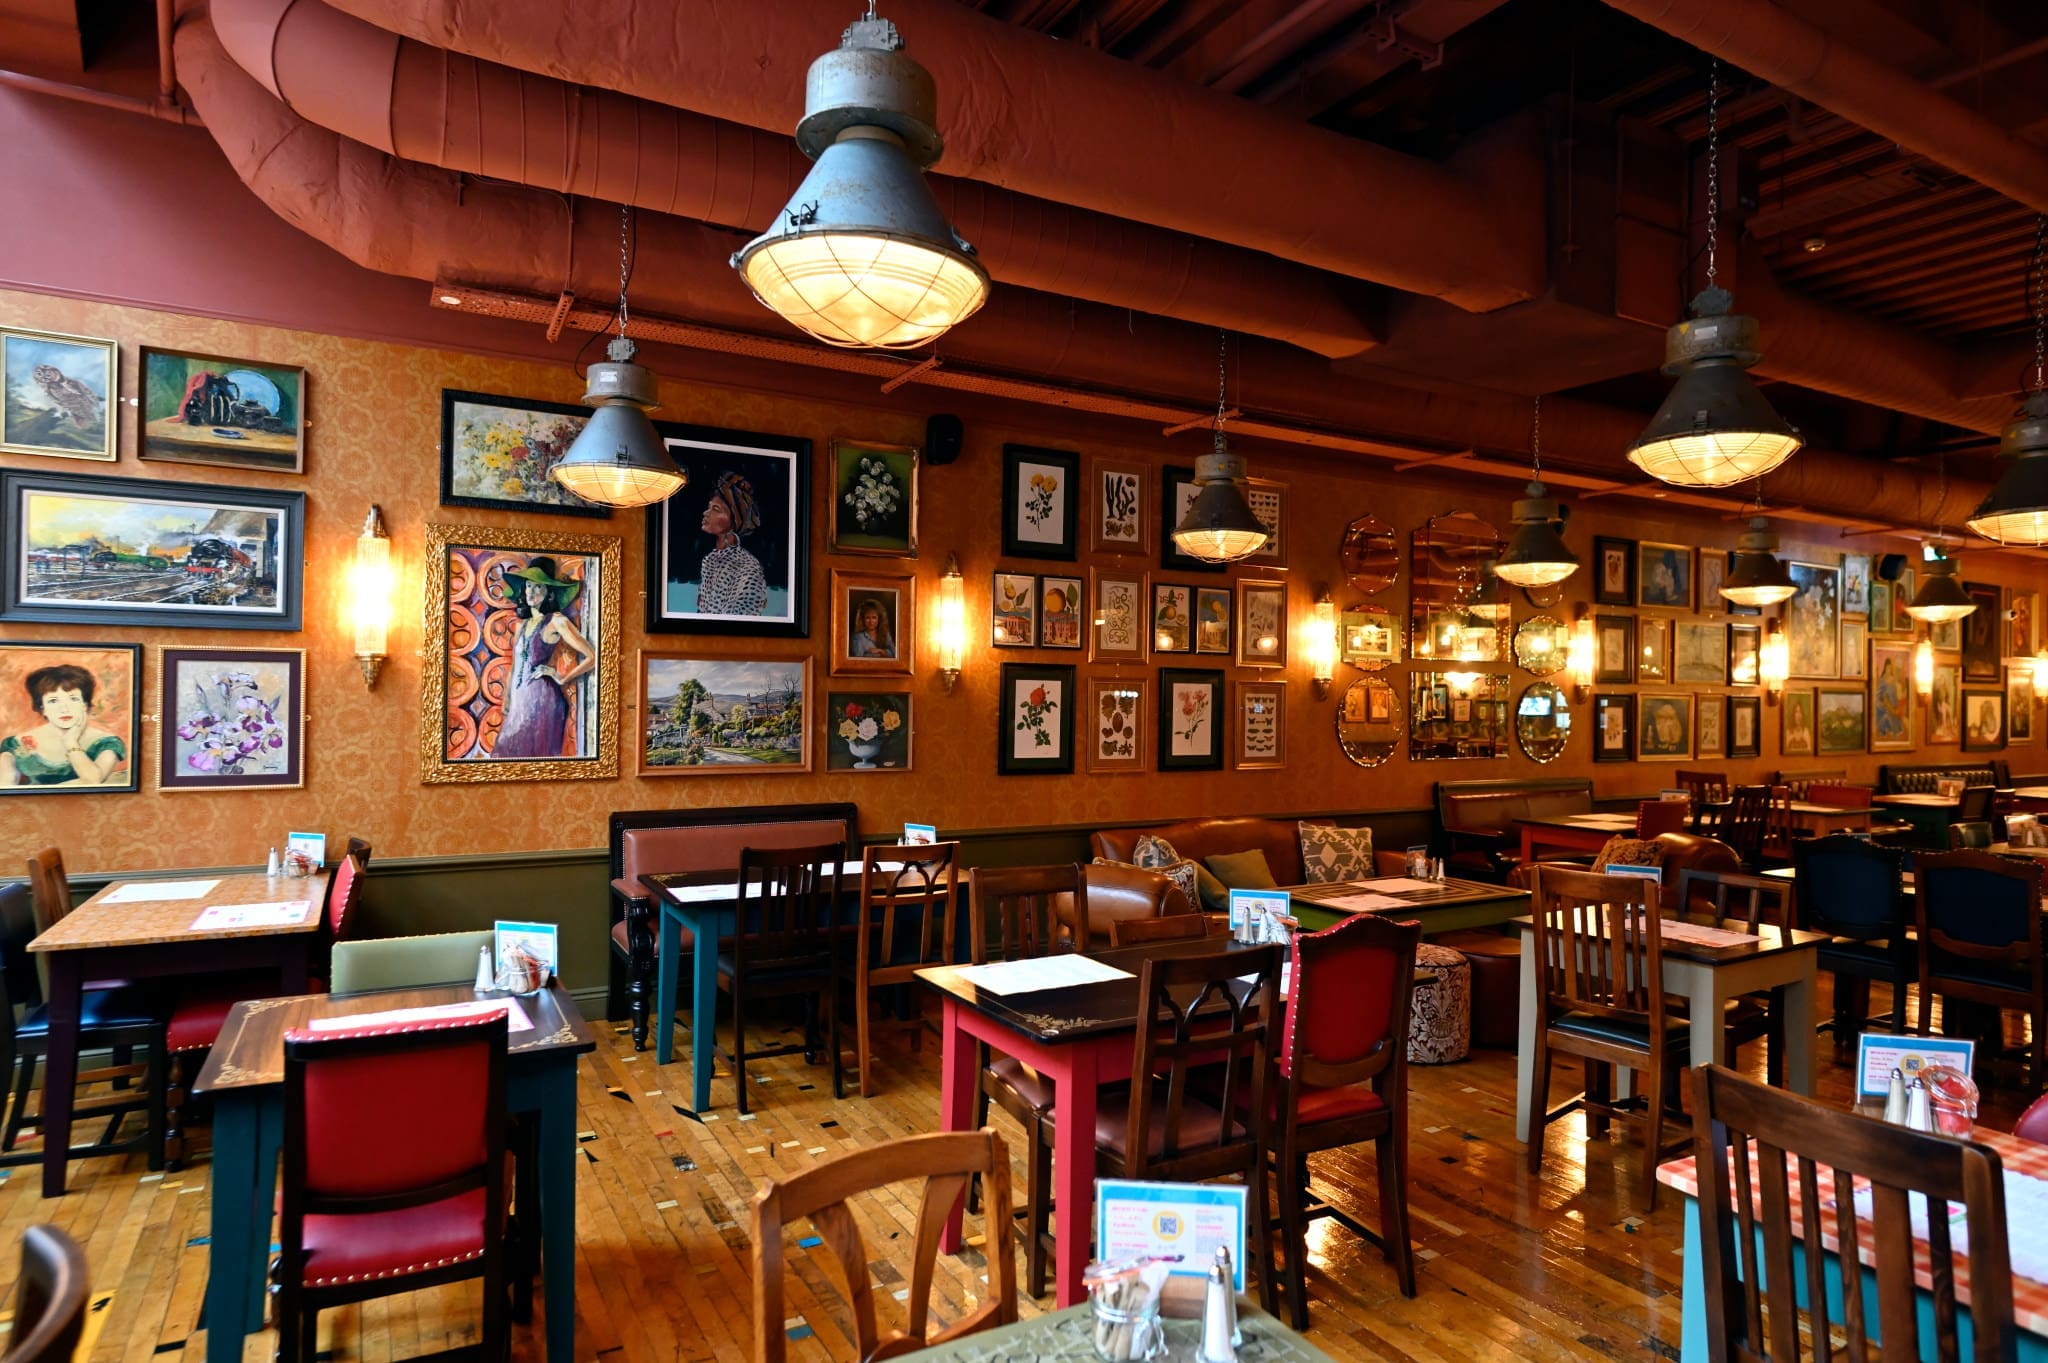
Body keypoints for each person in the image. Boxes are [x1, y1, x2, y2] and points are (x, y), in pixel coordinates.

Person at [492, 558, 597, 759]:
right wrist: (508, 698)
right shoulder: (521, 626)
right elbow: (516, 665)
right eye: (528, 586)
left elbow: (593, 656)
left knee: (536, 761)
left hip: (542, 701)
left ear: (548, 591)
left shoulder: (557, 621)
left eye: (538, 586)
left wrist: (561, 677)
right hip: (519, 700)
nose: (530, 591)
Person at [0, 663, 126, 787]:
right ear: (42, 708)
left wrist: (71, 742)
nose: (64, 708)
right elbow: (4, 787)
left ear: (84, 704)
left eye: (73, 699)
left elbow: (93, 780)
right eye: (53, 701)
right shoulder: (15, 745)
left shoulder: (107, 743)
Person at [698, 471, 768, 616]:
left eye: (716, 509)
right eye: (709, 507)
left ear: (735, 519)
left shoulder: (748, 567)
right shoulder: (709, 561)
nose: (706, 513)